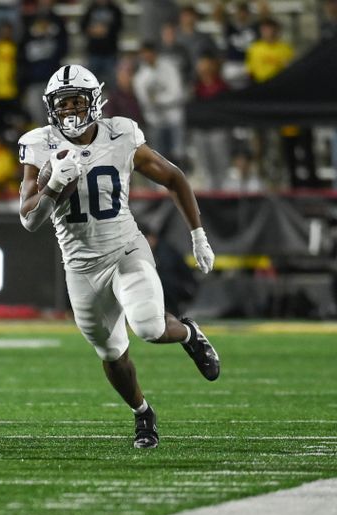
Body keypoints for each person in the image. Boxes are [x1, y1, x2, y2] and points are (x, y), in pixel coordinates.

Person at [17, 64, 220, 449]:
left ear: (95, 102)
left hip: (125, 248)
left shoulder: (121, 133)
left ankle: (189, 332)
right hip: (79, 265)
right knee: (111, 352)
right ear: (51, 107)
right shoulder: (39, 144)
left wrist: (198, 235)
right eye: (63, 104)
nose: (71, 111)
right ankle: (143, 414)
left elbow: (173, 177)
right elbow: (29, 220)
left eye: (78, 101)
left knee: (148, 327)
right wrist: (53, 185)